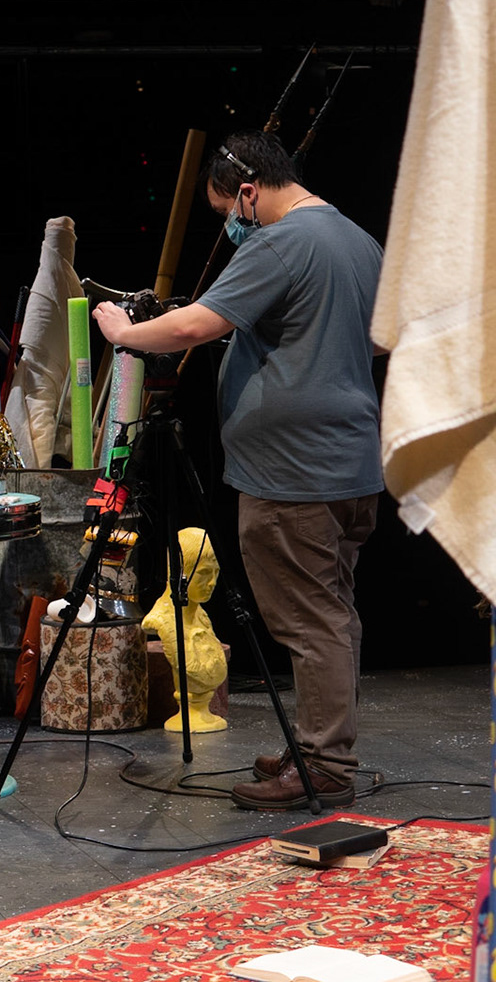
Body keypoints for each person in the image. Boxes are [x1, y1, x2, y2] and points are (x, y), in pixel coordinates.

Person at [93, 131, 384, 811]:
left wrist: (122, 332)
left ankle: (325, 764)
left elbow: (194, 327)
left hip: (294, 473)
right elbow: (373, 338)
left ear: (248, 191)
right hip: (348, 459)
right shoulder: (357, 240)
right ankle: (319, 746)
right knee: (332, 613)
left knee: (311, 622)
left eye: (227, 210)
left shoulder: (281, 242)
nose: (230, 224)